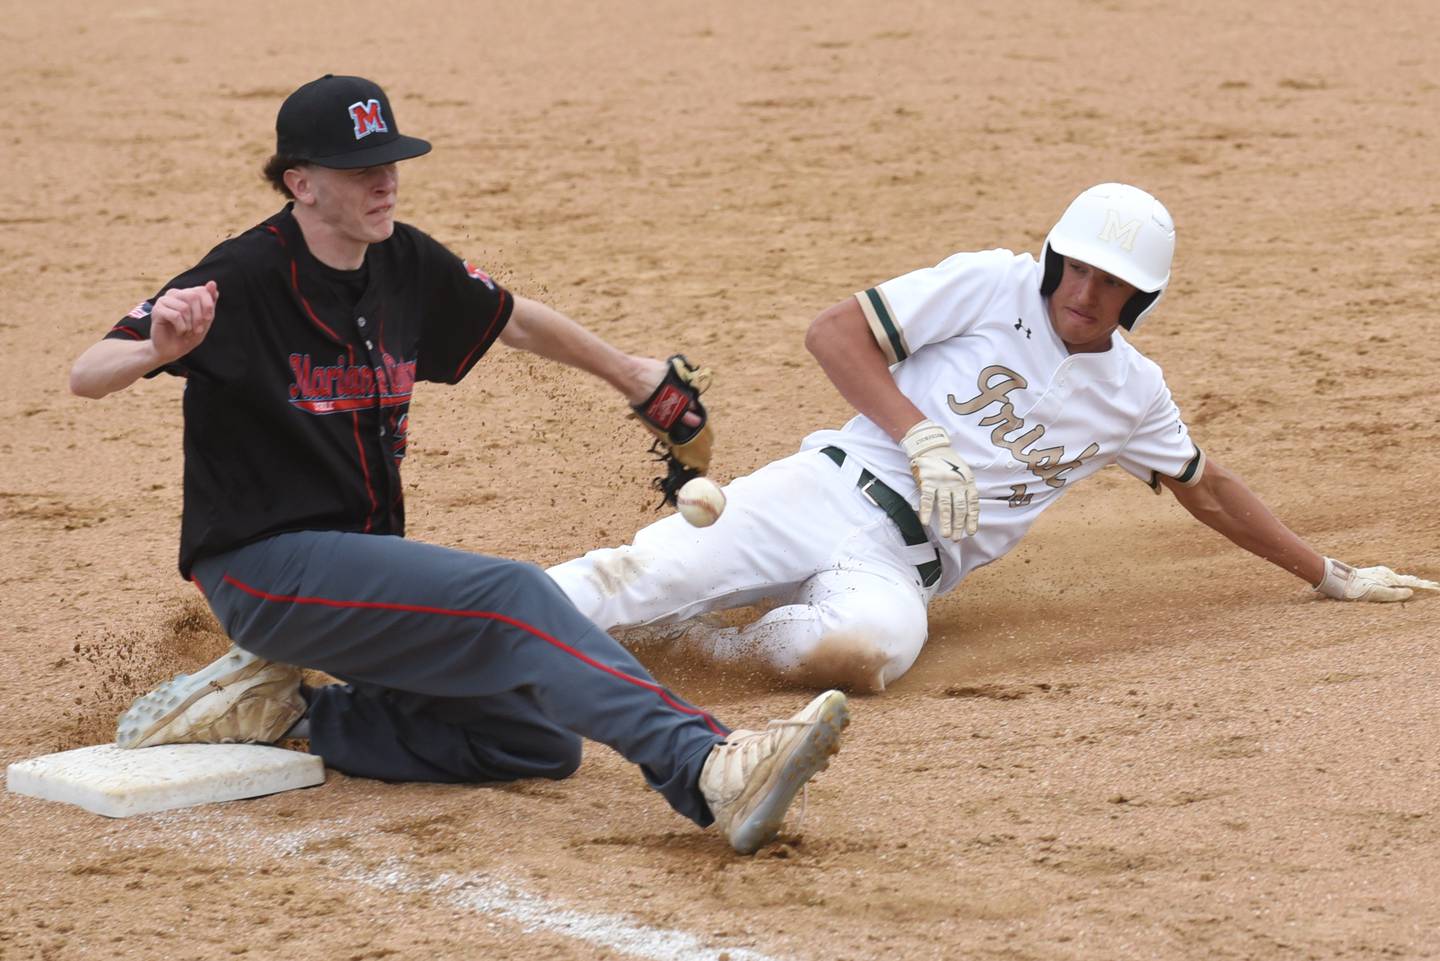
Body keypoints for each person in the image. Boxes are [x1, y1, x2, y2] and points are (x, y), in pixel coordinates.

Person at [69, 74, 849, 856]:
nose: (385, 181)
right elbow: (88, 372)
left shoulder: (403, 260)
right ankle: (709, 764)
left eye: (391, 161)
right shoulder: (242, 277)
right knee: (511, 595)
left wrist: (634, 374)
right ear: (300, 184)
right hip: (262, 569)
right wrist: (156, 350)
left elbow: (512, 320)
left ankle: (289, 714)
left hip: (362, 571)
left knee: (533, 741)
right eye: (358, 169)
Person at [543, 182, 1439, 691]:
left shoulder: (1134, 394)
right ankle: (422, 634)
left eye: (1111, 281)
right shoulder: (991, 285)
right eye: (1076, 267)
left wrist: (1330, 574)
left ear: (1142, 300)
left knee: (865, 656)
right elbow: (833, 332)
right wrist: (920, 435)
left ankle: (709, 644)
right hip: (824, 489)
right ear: (1055, 258)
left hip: (902, 571)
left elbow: (1208, 487)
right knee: (624, 580)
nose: (1084, 291)